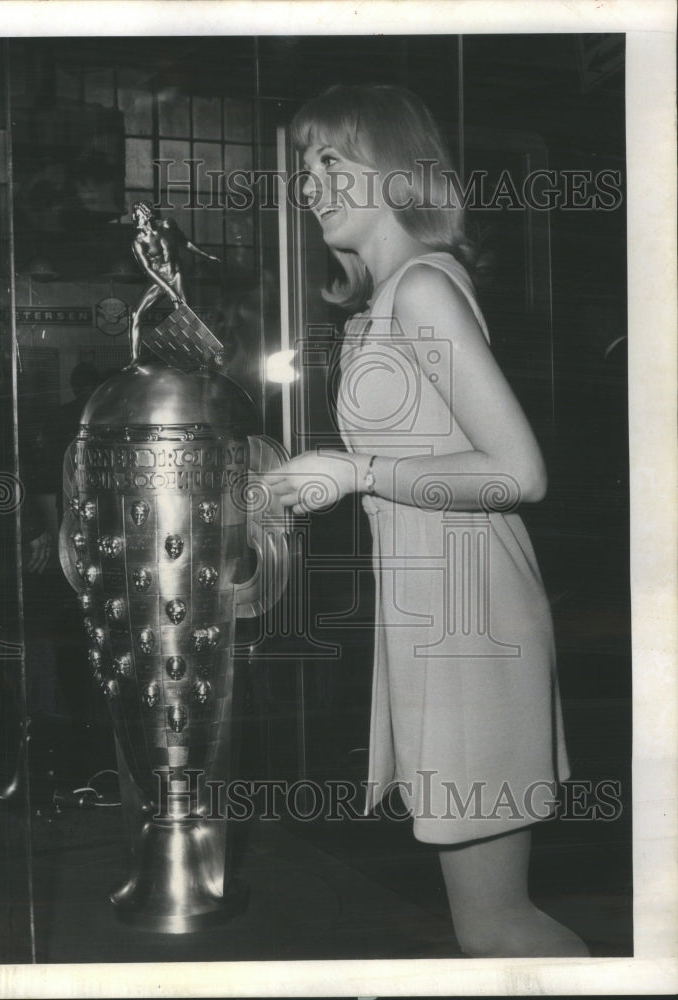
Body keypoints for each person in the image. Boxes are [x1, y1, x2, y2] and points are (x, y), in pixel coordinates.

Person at [264, 85, 588, 958]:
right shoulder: (383, 303)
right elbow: (421, 459)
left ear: (400, 170)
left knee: (495, 922)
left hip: (470, 617)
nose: (312, 183)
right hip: (435, 613)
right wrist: (320, 481)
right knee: (482, 919)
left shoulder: (420, 292)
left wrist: (358, 471)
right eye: (305, 167)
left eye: (334, 160)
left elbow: (520, 473)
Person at [129, 199, 220, 361]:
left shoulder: (167, 225)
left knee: (184, 313)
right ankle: (135, 358)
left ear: (148, 214)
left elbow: (185, 242)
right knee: (136, 314)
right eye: (134, 217)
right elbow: (148, 270)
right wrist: (169, 290)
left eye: (139, 216)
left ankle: (195, 355)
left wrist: (206, 254)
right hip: (159, 280)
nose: (136, 220)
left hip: (176, 275)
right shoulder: (138, 241)